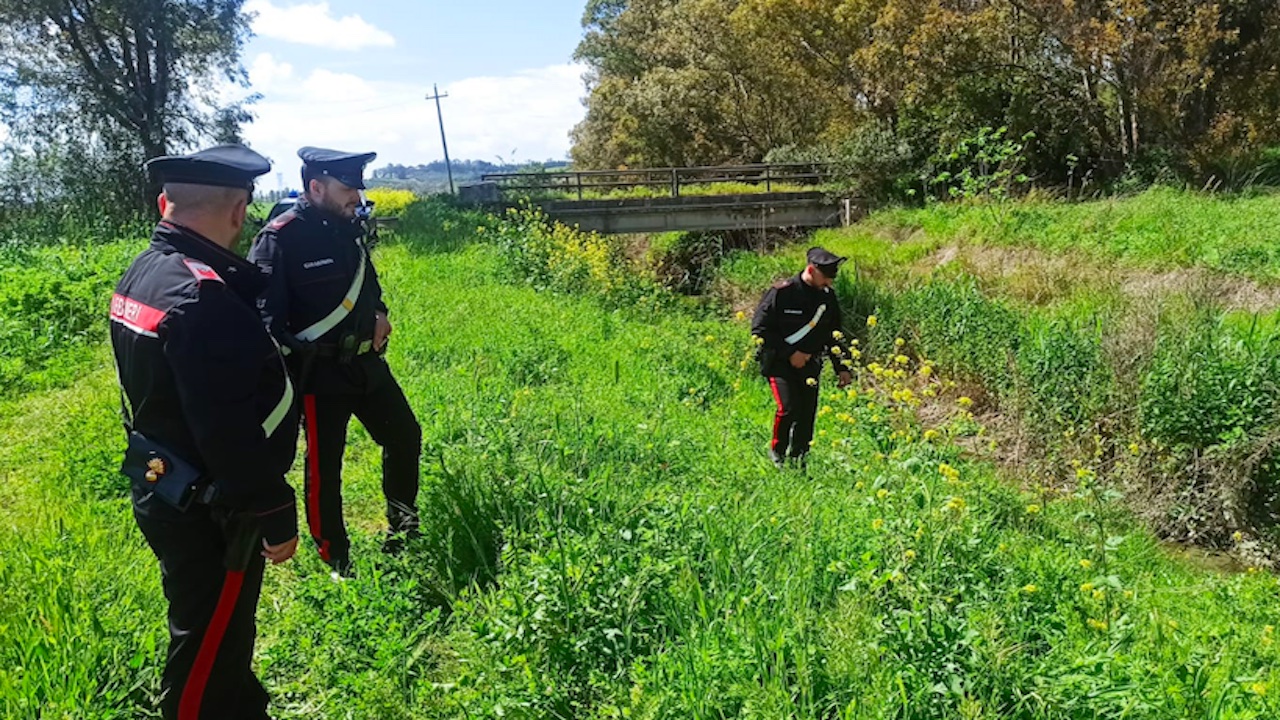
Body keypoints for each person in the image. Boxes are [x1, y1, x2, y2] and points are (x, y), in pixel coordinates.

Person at [110, 144, 299, 719]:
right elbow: (228, 429)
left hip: (162, 480)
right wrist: (274, 512)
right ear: (240, 211)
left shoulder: (145, 271)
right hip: (211, 509)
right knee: (208, 641)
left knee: (215, 629)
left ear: (166, 203)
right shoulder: (204, 297)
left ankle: (243, 706)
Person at [248, 146, 421, 578]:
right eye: (347, 189)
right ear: (316, 187)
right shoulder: (280, 238)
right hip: (319, 375)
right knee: (326, 469)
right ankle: (335, 558)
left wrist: (379, 312)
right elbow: (266, 320)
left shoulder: (349, 227)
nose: (356, 198)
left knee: (405, 436)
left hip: (366, 364)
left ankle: (404, 530)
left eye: (357, 189)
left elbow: (368, 283)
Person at [751, 246, 854, 469]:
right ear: (811, 269)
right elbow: (760, 329)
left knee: (807, 413)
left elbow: (834, 334)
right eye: (825, 277)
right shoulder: (781, 292)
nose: (829, 282)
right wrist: (790, 353)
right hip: (780, 362)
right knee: (788, 407)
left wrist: (842, 368)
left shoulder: (827, 298)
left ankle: (799, 459)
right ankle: (777, 452)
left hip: (811, 363)